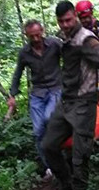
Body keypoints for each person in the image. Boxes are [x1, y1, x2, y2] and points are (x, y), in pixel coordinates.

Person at [42, 0, 99, 190]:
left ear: (75, 16)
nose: (65, 24)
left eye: (68, 19)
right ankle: (65, 184)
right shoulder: (65, 37)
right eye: (61, 21)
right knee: (48, 146)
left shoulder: (86, 39)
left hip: (84, 101)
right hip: (65, 102)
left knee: (80, 154)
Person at [7, 20, 62, 175]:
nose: (36, 39)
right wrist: (13, 95)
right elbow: (17, 74)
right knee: (38, 131)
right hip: (37, 93)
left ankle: (61, 151)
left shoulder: (54, 44)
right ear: (27, 36)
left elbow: (70, 57)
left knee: (48, 118)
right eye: (32, 37)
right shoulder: (24, 53)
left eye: (38, 35)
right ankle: (49, 166)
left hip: (56, 89)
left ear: (42, 31)